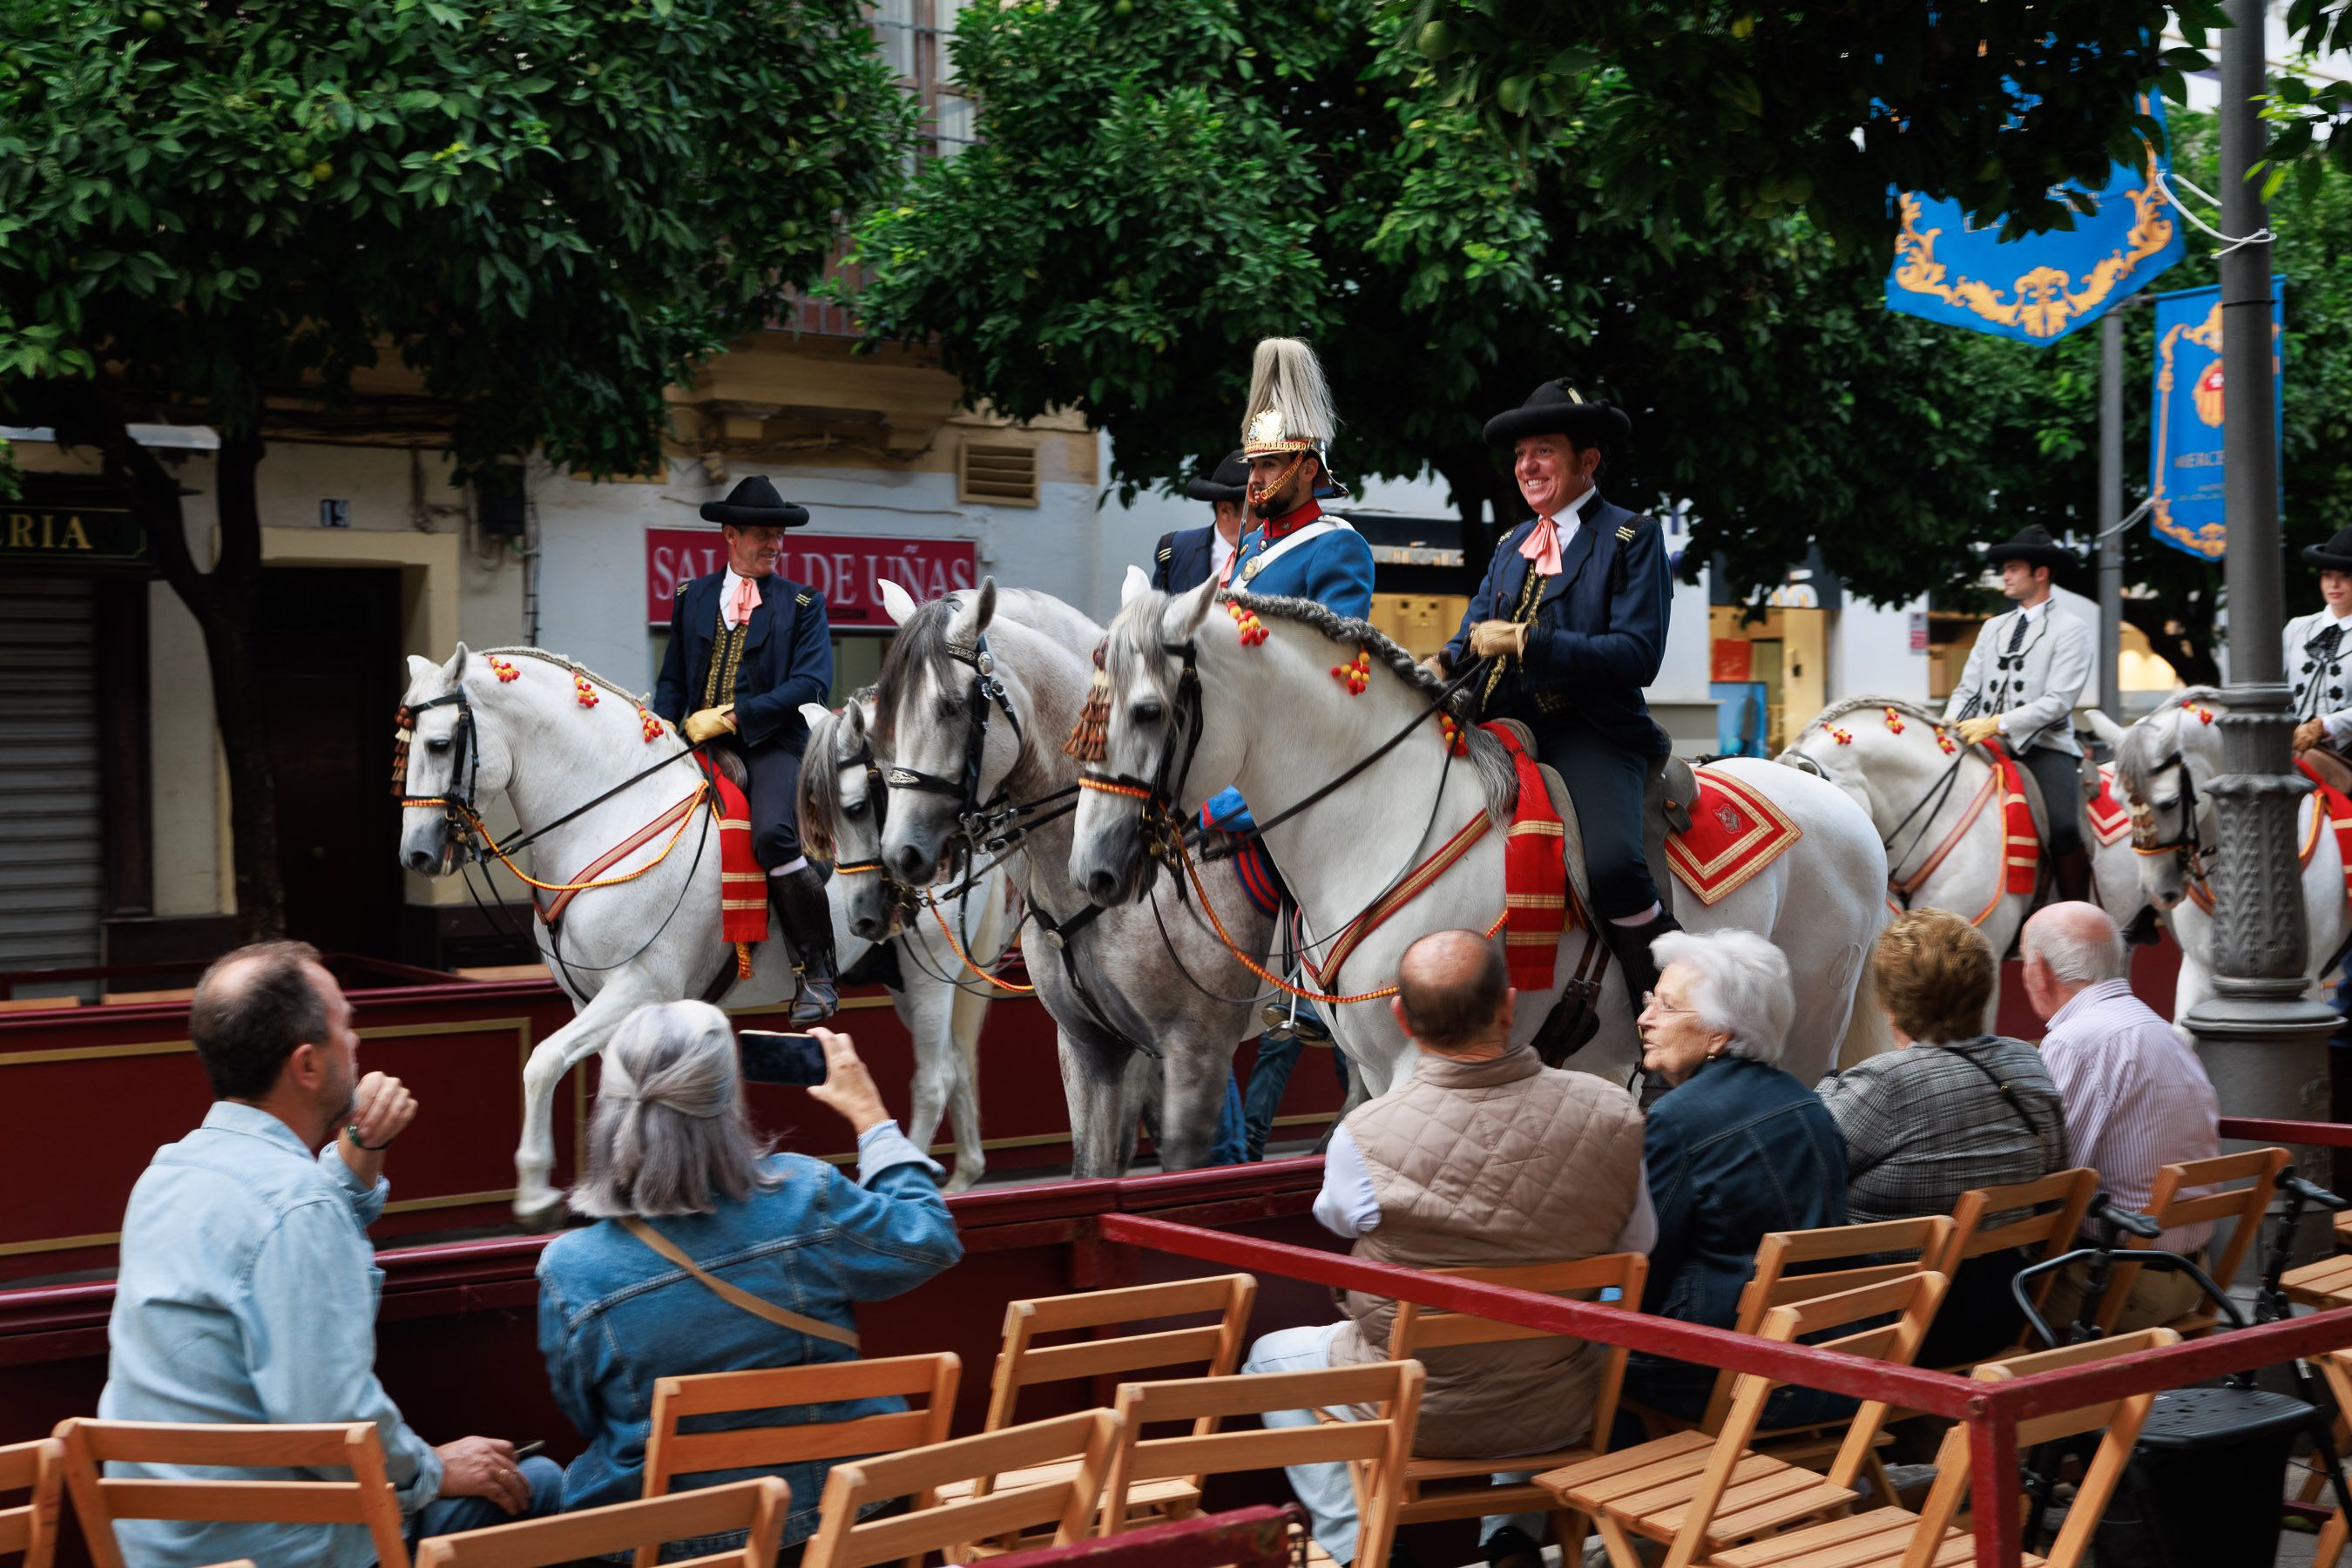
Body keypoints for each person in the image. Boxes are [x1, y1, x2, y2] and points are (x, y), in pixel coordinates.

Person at [98, 942, 562, 1567]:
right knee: (541, 1484)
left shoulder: (165, 1174)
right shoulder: (297, 1209)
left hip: (168, 1547)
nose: (358, 1044)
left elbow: (282, 1224)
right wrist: (432, 1469)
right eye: (348, 1026)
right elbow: (333, 1423)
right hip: (281, 1551)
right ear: (308, 1065)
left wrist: (360, 1148)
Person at [1239, 930, 1649, 1568]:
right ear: (1510, 1006)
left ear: (1400, 1018)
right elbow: (1638, 1245)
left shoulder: (1365, 1133)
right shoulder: (1613, 1109)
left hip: (1416, 1407)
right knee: (1527, 1338)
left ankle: (1358, 1549)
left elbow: (1337, 1218)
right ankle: (1511, 1538)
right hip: (1563, 1402)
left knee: (1267, 1360)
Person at [537, 1003, 960, 1563]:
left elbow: (588, 1415)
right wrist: (871, 1118)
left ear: (610, 1108)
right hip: (851, 1523)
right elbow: (929, 1238)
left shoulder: (571, 1268)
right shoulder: (805, 1194)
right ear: (727, 1103)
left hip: (677, 1546)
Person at [1426, 378, 1678, 1017]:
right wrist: (1430, 667)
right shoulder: (1512, 545)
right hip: (1502, 727)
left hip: (1591, 732)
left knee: (1617, 866)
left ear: (1586, 462)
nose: (1526, 467)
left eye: (1543, 452)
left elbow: (1638, 656)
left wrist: (1531, 643)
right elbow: (1470, 639)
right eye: (1519, 456)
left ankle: (1668, 1009)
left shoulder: (1632, 537)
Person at [1208, 338, 1380, 1058]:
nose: (1257, 477)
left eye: (1272, 464)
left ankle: (1310, 976)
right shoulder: (1248, 549)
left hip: (1308, 744)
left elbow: (1334, 661)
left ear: (1308, 468)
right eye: (1254, 464)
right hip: (1240, 739)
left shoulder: (1336, 545)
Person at [1817, 909, 2068, 1365]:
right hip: (2003, 1312)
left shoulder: (1886, 1083)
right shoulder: (2027, 1062)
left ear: (1887, 1001)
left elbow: (1799, 1167)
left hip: (1884, 1328)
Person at [1623, 928, 1848, 1423]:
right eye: (1648, 1000)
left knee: (1562, 1357)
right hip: (1816, 1363)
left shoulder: (1679, 1119)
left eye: (1666, 1005)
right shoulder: (1808, 1101)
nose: (1644, 1018)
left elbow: (1644, 1268)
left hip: (1723, 1374)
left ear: (1718, 1033)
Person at [652, 474, 840, 1023]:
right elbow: (671, 679)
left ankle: (817, 971)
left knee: (774, 835)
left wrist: (733, 716)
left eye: (779, 534)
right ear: (730, 535)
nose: (775, 544)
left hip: (773, 742)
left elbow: (811, 684)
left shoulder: (803, 603)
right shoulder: (691, 597)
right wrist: (665, 726)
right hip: (694, 742)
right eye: (763, 533)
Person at [2021, 902, 2222, 1333]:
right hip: (2192, 1279)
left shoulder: (2076, 1042)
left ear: (2038, 969)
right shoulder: (2163, 1031)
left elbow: (2051, 1180)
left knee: (1956, 1310)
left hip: (2116, 1286)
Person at [1943, 524, 2095, 903]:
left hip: (2044, 747)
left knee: (2062, 827)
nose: (2004, 576)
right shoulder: (1993, 627)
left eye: (2012, 568)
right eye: (2004, 569)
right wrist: (1947, 727)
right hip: (1984, 742)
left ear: (2039, 573)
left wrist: (1999, 723)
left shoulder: (2071, 629)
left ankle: (2078, 913)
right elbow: (1969, 689)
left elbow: (2059, 700)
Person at [2289, 524, 2352, 758]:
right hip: (2294, 754)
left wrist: (2325, 725)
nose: (2333, 585)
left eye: (2345, 576)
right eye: (2327, 575)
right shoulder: (2298, 628)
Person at [1151, 449, 1251, 594]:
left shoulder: (1276, 553)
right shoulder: (1175, 551)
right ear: (1225, 510)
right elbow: (1157, 613)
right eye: (1256, 509)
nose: (1267, 517)